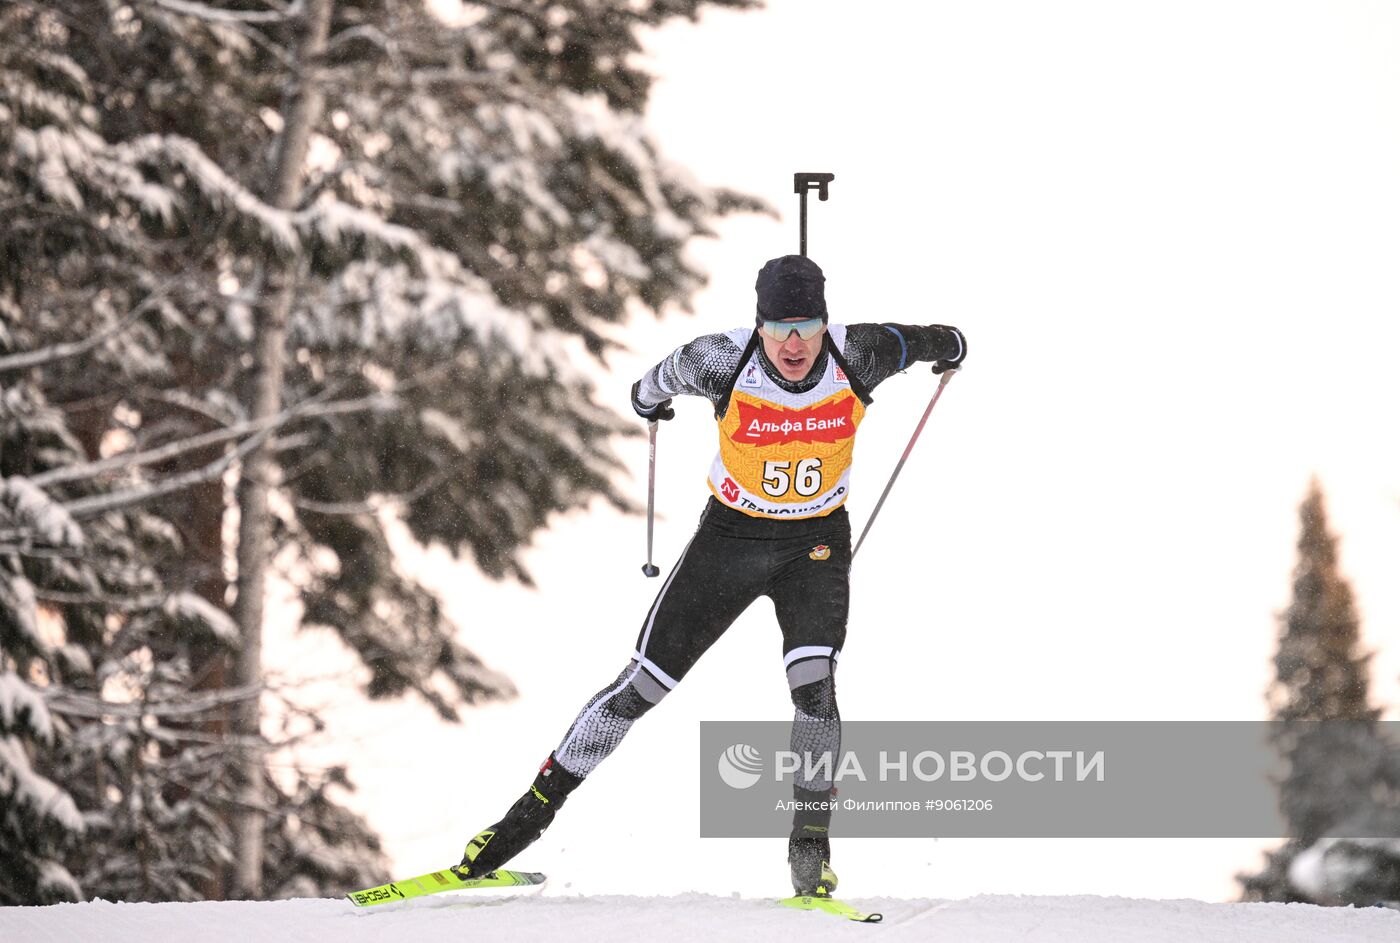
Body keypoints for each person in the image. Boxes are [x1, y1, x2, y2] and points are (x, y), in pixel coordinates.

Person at [457, 254, 966, 897]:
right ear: (758, 326)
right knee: (641, 686)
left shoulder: (859, 353)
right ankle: (516, 827)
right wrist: (649, 403)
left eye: (806, 327)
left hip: (814, 544)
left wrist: (951, 346)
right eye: (778, 328)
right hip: (729, 542)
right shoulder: (720, 360)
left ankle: (809, 852)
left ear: (824, 325)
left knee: (814, 687)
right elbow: (651, 385)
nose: (792, 344)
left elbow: (924, 342)